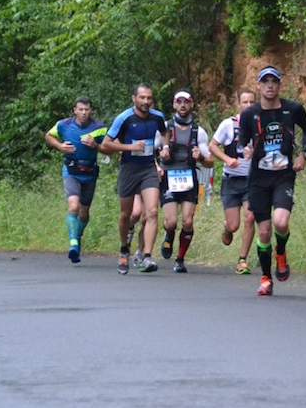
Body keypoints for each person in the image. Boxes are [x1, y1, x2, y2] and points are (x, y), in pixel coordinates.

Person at [237, 66, 306, 296]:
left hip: (283, 176)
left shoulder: (293, 109)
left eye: (274, 81)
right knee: (264, 232)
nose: (270, 85)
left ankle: (281, 252)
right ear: (259, 85)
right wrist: (246, 149)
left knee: (280, 223)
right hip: (259, 179)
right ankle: (266, 278)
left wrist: (303, 154)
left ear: (280, 85)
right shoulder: (250, 114)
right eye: (265, 81)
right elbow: (242, 140)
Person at [102, 84, 169, 275]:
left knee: (152, 212)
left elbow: (165, 133)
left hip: (148, 168)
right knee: (126, 214)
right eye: (142, 98)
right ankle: (124, 248)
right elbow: (106, 144)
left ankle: (147, 256)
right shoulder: (124, 118)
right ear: (134, 98)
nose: (146, 102)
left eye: (149, 98)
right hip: (128, 169)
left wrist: (166, 148)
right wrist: (130, 148)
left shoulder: (158, 117)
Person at [156, 90, 214, 273]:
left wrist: (201, 158)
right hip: (168, 177)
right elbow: (150, 150)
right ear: (174, 105)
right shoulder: (164, 127)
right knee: (171, 221)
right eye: (178, 102)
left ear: (191, 105)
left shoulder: (199, 132)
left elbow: (210, 160)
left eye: (186, 102)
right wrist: (157, 163)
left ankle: (180, 259)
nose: (182, 105)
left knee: (188, 222)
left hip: (189, 178)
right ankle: (169, 234)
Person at [45, 96, 107, 264]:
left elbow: (109, 149)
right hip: (71, 170)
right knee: (73, 206)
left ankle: (78, 236)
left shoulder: (99, 128)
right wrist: (60, 146)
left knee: (84, 213)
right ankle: (73, 244)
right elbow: (48, 135)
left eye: (87, 110)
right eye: (81, 109)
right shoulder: (63, 125)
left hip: (90, 173)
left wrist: (96, 145)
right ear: (75, 110)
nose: (84, 113)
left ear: (91, 110)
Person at [210, 89, 258, 275]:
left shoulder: (259, 124)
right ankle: (227, 228)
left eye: (251, 102)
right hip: (231, 181)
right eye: (244, 102)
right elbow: (213, 146)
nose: (248, 106)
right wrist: (227, 159)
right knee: (234, 225)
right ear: (238, 105)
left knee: (250, 217)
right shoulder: (227, 125)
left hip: (251, 180)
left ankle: (242, 259)